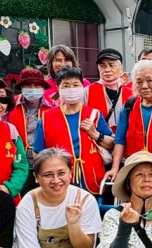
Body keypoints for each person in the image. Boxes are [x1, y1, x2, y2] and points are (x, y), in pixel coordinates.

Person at [35, 66, 114, 194]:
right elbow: (38, 153)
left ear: (82, 87)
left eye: (75, 84)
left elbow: (112, 145)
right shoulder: (46, 118)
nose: (71, 89)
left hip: (92, 178)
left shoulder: (94, 114)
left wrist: (95, 134)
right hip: (59, 181)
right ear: (58, 88)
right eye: (66, 85)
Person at [6, 67, 56, 165]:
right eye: (28, 86)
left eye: (37, 86)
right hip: (15, 158)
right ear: (21, 88)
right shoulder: (10, 105)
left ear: (43, 88)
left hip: (46, 158)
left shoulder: (53, 105)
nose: (33, 89)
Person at [87, 48, 134, 134]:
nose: (107, 70)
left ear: (121, 68)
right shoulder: (88, 91)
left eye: (111, 65)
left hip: (126, 142)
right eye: (102, 66)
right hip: (99, 143)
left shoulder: (131, 92)